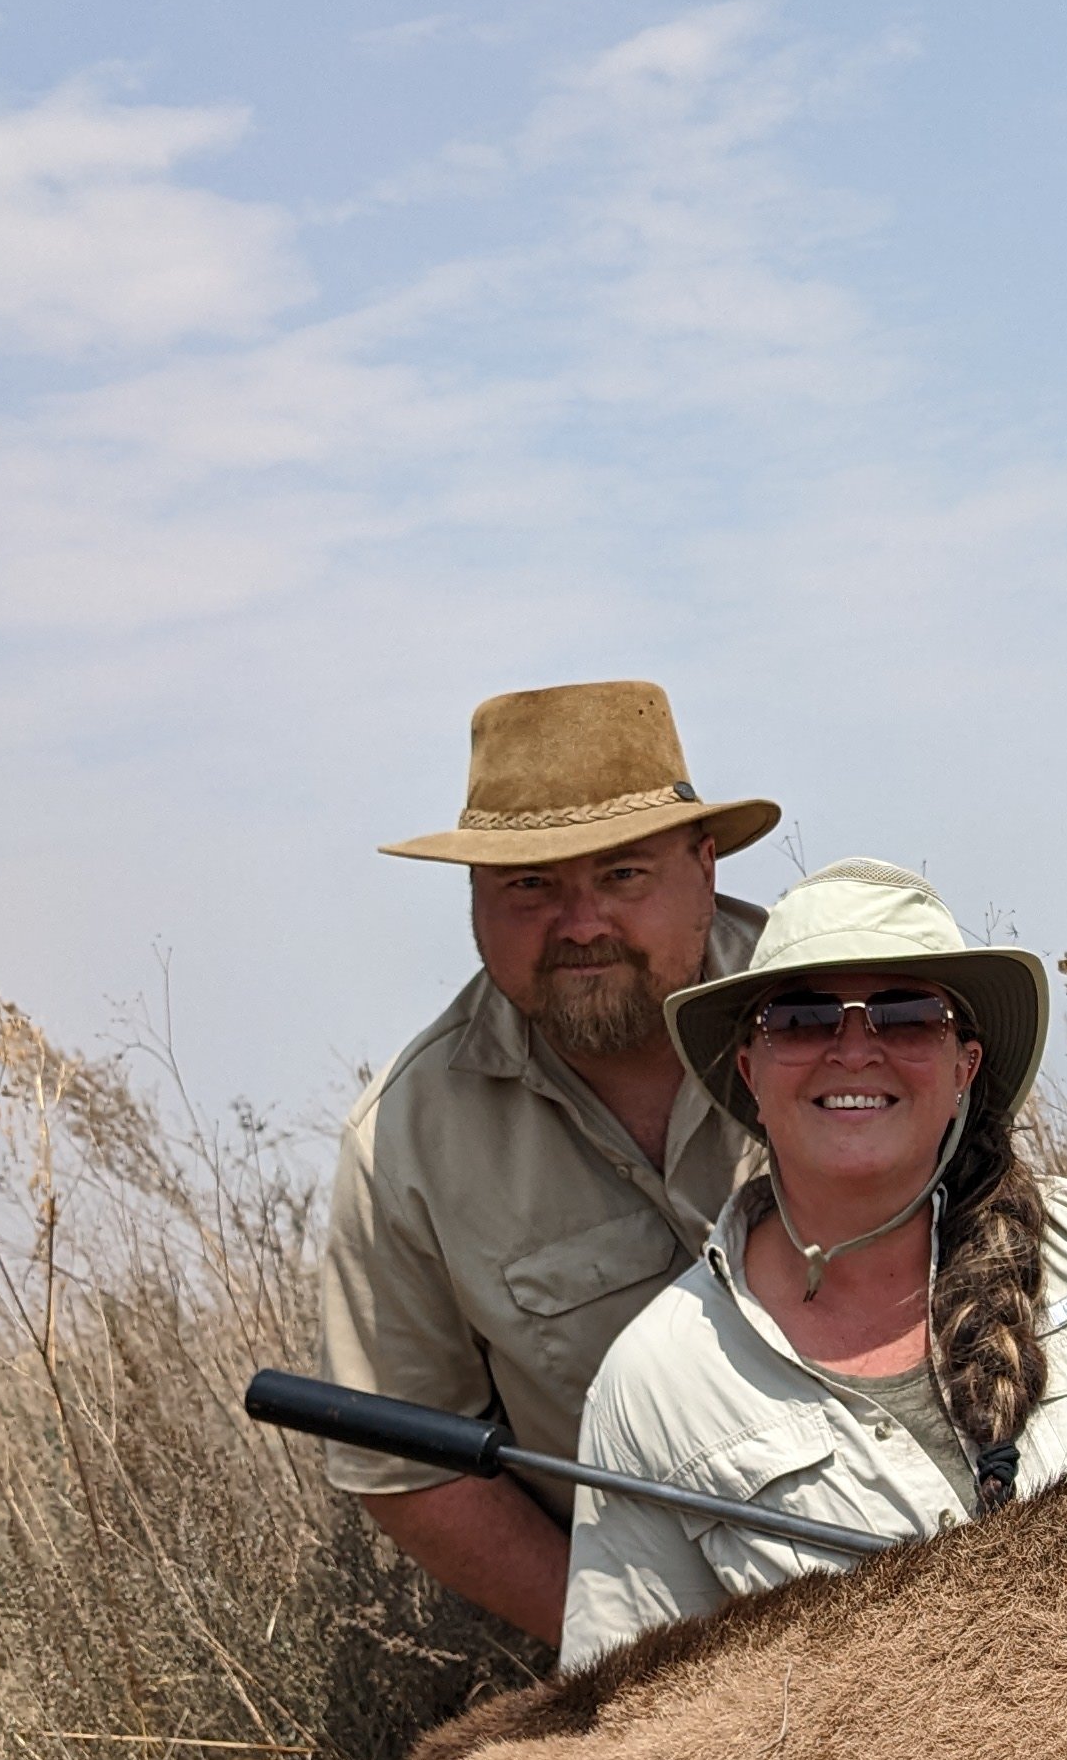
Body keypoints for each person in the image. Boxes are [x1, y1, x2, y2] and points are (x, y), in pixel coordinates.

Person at [560, 857, 1067, 1665]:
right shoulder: (654, 1383)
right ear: (750, 1070)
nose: (853, 1050)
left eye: (908, 1015)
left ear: (966, 1067)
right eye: (804, 1020)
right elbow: (635, 1727)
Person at [321, 679, 781, 1649]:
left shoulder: (856, 1018)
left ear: (704, 866)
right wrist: (626, 1652)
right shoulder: (401, 1146)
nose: (579, 926)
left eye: (622, 875)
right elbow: (408, 1466)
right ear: (476, 897)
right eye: (531, 885)